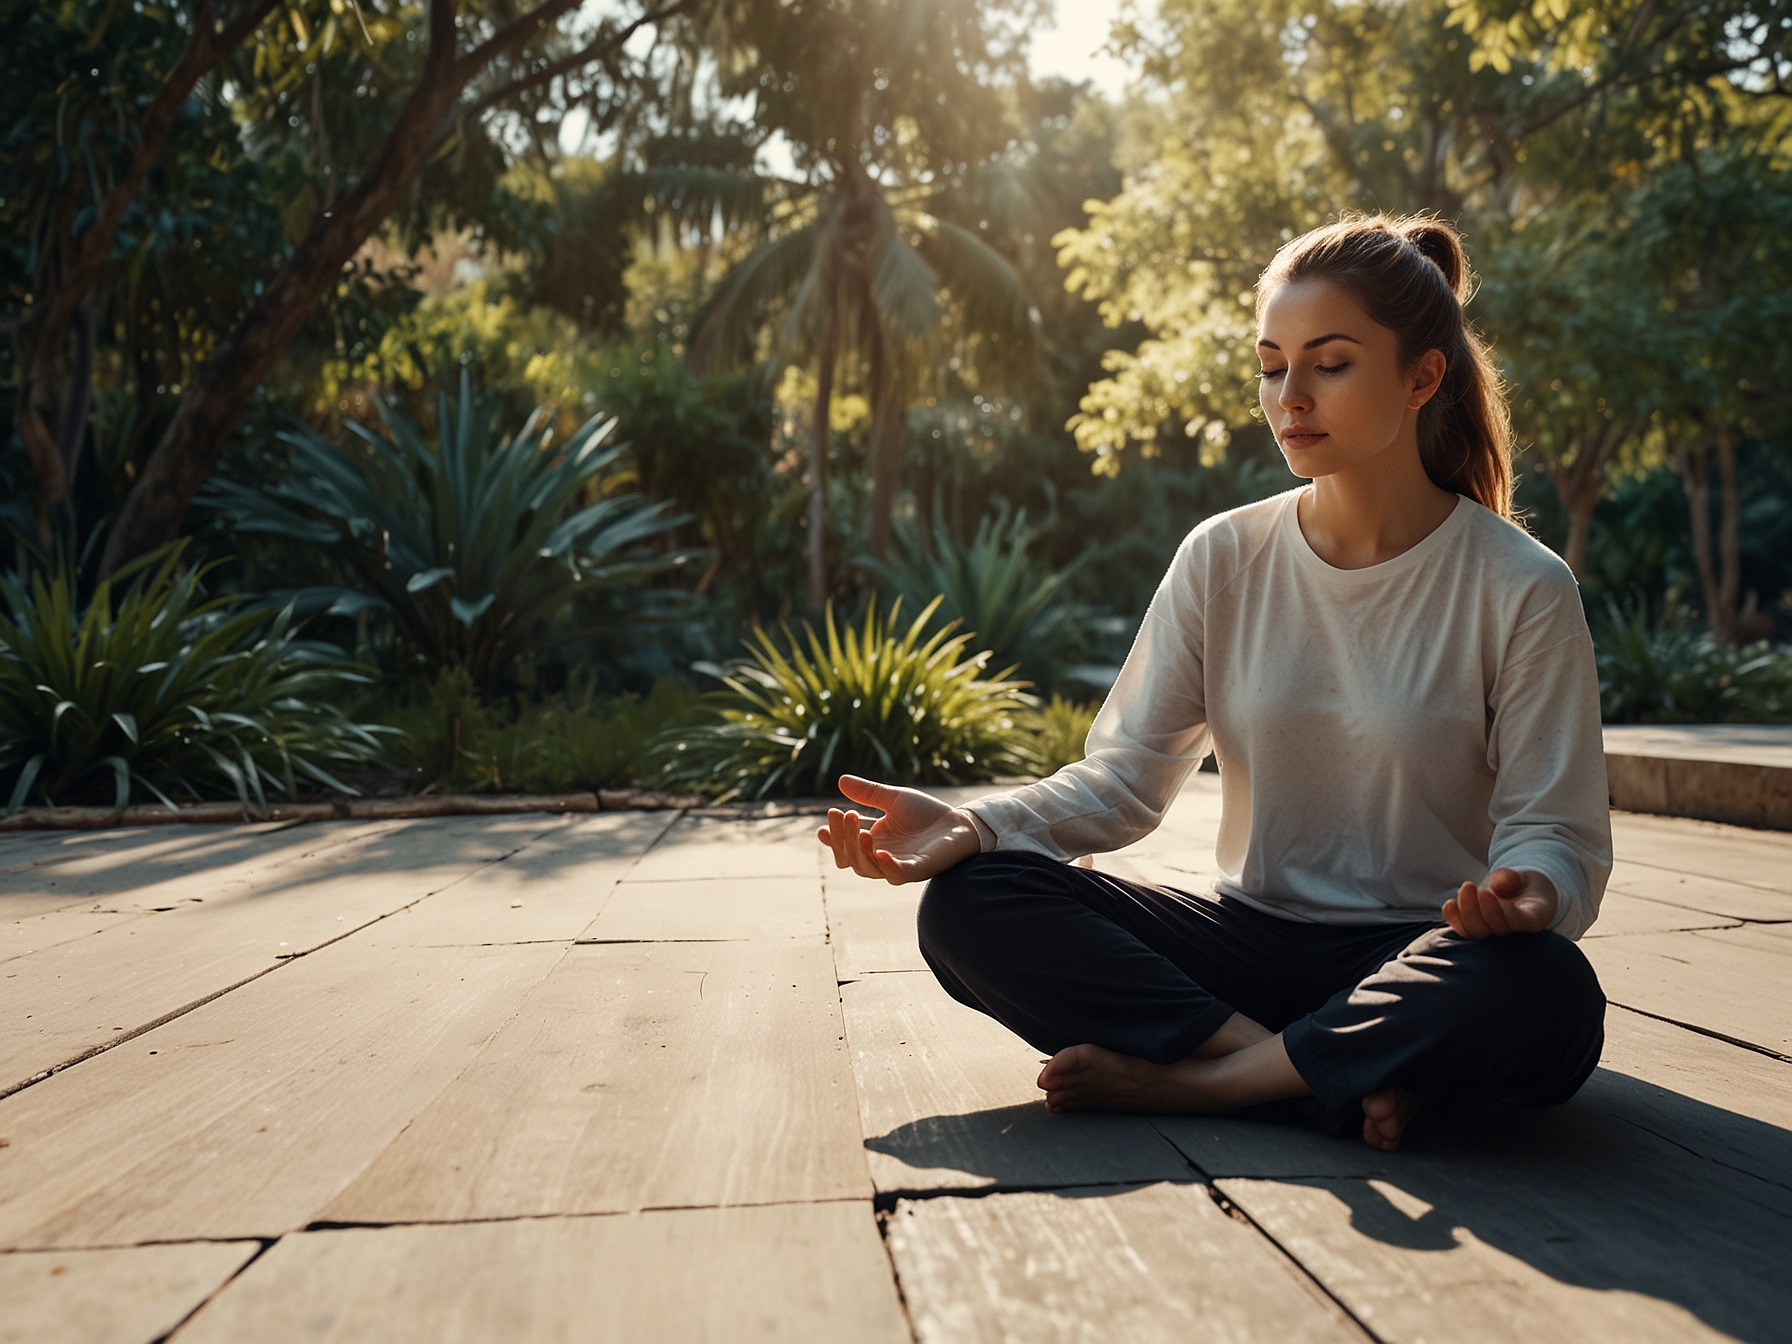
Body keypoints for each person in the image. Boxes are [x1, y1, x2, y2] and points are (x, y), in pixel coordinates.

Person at [816, 213, 1610, 1152]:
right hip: (1246, 946)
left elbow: (1554, 832)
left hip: (1423, 953)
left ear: (1422, 377)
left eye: (1331, 363)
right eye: (1273, 366)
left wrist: (1533, 895)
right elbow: (1122, 781)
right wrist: (979, 826)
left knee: (1549, 990)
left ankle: (1212, 1084)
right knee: (969, 904)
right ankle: (1320, 1074)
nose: (1291, 397)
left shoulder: (1521, 585)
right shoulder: (1224, 556)